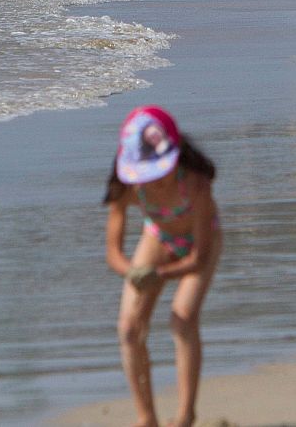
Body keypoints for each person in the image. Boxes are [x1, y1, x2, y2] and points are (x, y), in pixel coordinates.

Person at [105, 107, 220, 427]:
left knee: (182, 319)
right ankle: (147, 418)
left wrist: (161, 276)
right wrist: (133, 273)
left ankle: (185, 415)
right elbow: (113, 252)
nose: (152, 180)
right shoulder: (125, 187)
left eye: (159, 171)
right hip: (157, 238)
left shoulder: (196, 184)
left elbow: (198, 258)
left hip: (200, 242)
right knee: (128, 329)